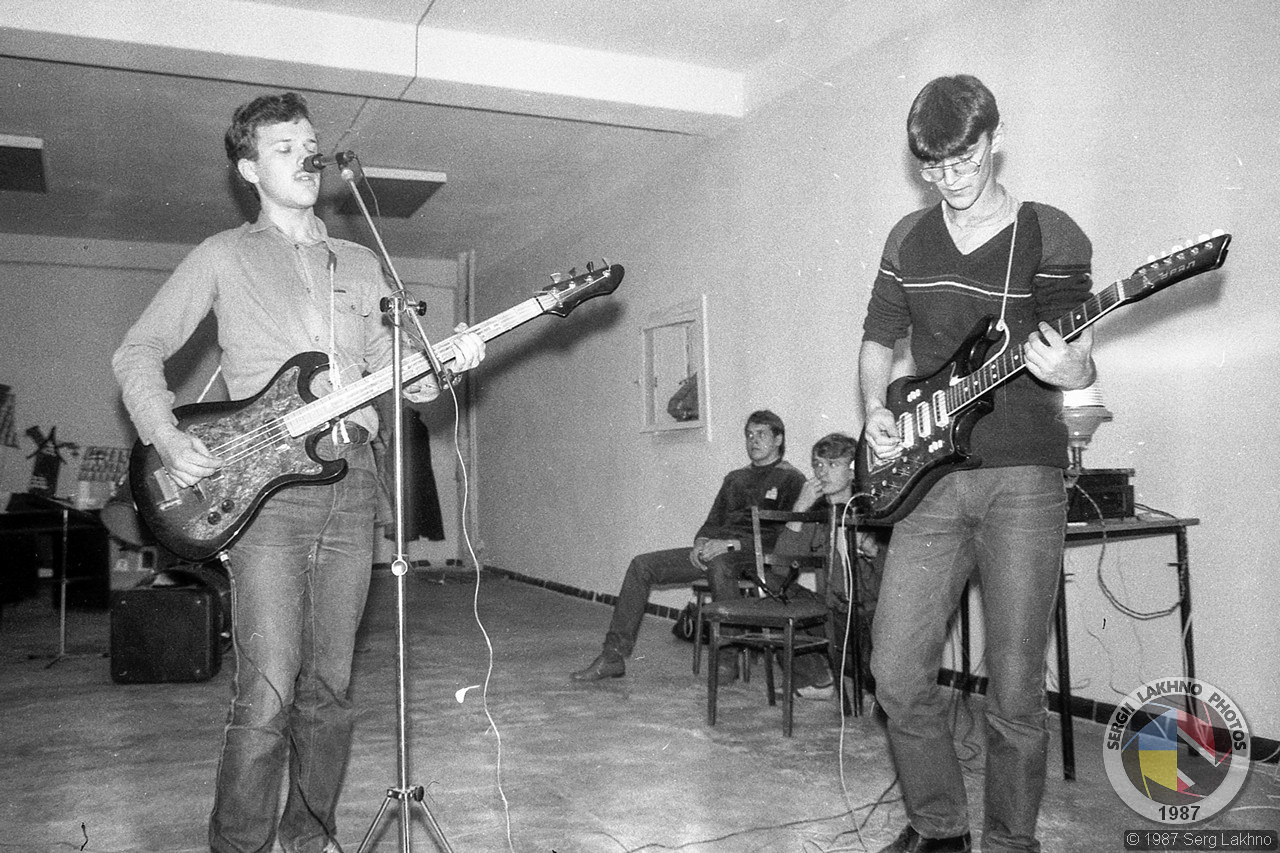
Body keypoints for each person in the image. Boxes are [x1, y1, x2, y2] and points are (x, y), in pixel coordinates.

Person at [112, 92, 486, 853]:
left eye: (310, 143)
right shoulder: (223, 255)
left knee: (331, 690)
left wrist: (443, 363)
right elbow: (137, 351)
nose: (306, 156)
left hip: (352, 483)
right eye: (284, 147)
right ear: (249, 169)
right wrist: (167, 436)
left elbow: (399, 377)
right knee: (267, 692)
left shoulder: (361, 262)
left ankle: (309, 838)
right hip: (265, 498)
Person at [859, 75, 1095, 853]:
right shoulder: (907, 239)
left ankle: (1009, 841)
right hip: (928, 478)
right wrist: (876, 411)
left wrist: (1074, 368)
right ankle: (940, 826)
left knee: (1015, 686)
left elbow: (1077, 346)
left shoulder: (1047, 232)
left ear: (995, 141)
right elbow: (878, 340)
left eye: (963, 160)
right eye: (933, 167)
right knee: (897, 671)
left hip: (1024, 477)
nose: (950, 179)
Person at [571, 410, 806, 682]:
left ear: (778, 439)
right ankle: (613, 656)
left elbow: (783, 537)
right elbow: (712, 522)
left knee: (720, 564)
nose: (753, 440)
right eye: (749, 435)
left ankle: (727, 656)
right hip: (717, 551)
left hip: (755, 558)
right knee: (642, 565)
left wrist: (732, 544)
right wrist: (701, 542)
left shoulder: (791, 479)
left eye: (761, 434)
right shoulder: (735, 478)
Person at [770, 432, 885, 700]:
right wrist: (800, 507)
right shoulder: (816, 515)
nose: (822, 472)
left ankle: (853, 670)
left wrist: (873, 550)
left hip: (871, 619)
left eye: (833, 464)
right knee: (774, 588)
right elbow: (780, 569)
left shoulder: (874, 512)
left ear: (853, 470)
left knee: (878, 683)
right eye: (818, 464)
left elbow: (897, 581)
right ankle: (817, 677)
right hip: (832, 616)